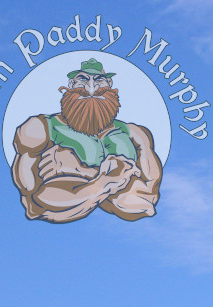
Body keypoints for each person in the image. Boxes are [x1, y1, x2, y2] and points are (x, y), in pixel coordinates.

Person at [11, 58, 162, 223]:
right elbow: (35, 203)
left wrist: (80, 171)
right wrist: (114, 179)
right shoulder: (39, 129)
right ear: (71, 84)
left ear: (109, 84)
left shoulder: (136, 134)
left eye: (99, 80)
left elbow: (146, 201)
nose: (91, 88)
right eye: (82, 79)